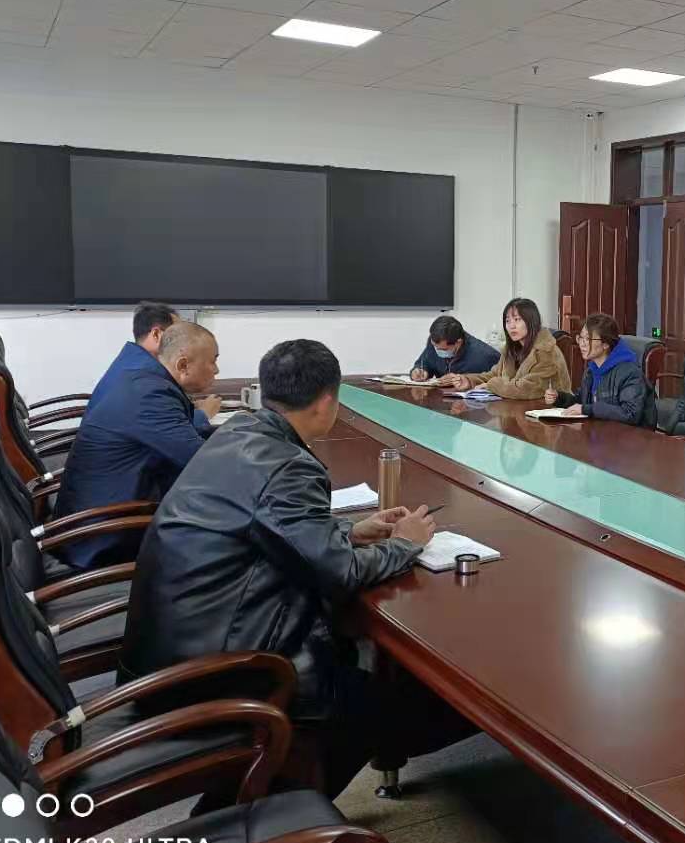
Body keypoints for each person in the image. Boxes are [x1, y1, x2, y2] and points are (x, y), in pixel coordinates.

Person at [120, 339, 472, 797]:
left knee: (361, 671)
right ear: (326, 402)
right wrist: (405, 543)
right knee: (372, 706)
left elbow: (266, 526)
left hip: (170, 649)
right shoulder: (289, 466)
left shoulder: (241, 431)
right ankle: (273, 806)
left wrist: (350, 530)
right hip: (215, 671)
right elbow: (341, 574)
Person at [51, 320, 222, 568]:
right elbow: (203, 463)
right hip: (102, 538)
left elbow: (182, 438)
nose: (217, 370)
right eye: (213, 361)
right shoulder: (151, 394)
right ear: (183, 365)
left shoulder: (146, 380)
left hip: (98, 519)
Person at [87, 303, 219, 427]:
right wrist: (203, 414)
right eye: (175, 333)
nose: (183, 339)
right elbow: (177, 436)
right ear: (156, 334)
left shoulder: (132, 361)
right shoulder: (146, 381)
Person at [444, 298, 571, 400]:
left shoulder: (547, 351)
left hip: (549, 415)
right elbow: (494, 374)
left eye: (517, 320)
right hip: (520, 412)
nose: (511, 326)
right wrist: (468, 381)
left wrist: (492, 385)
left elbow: (528, 389)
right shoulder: (511, 350)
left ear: (532, 322)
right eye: (507, 321)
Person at [543, 313, 654, 426]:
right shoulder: (591, 370)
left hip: (629, 435)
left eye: (588, 339)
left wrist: (587, 410)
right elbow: (582, 402)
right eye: (580, 338)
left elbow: (630, 414)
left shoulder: (629, 373)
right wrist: (559, 398)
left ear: (605, 344)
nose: (582, 344)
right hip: (601, 431)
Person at [408, 314, 499, 382]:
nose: (437, 350)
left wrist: (465, 379)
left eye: (443, 350)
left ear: (458, 342)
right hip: (440, 398)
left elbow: (501, 381)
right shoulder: (435, 342)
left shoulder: (485, 356)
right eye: (434, 346)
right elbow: (424, 363)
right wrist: (419, 371)